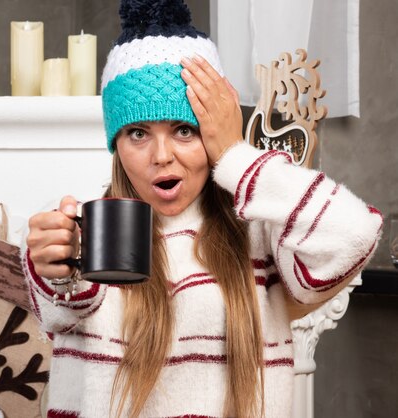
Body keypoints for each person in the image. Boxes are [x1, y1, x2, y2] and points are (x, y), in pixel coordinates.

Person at [23, 1, 383, 417]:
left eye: (185, 130)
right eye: (138, 132)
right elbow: (63, 303)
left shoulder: (262, 233)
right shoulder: (84, 233)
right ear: (116, 146)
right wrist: (56, 268)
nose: (162, 155)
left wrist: (236, 153)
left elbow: (357, 233)